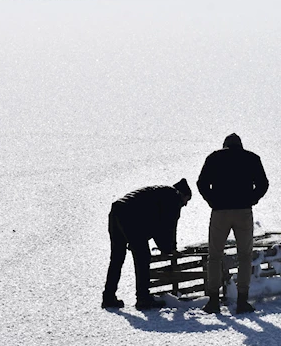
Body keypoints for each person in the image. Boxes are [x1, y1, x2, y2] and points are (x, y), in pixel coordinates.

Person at [197, 133, 268, 314]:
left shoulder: (214, 158)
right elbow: (263, 184)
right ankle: (242, 301)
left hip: (219, 212)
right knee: (244, 256)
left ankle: (213, 301)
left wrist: (212, 201)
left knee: (215, 256)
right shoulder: (252, 158)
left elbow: (201, 183)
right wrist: (252, 199)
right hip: (243, 212)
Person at [103, 178, 192, 310]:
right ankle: (143, 299)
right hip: (131, 217)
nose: (185, 204)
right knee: (142, 258)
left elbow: (157, 224)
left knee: (117, 258)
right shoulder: (174, 199)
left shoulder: (162, 193)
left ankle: (108, 297)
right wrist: (169, 249)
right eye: (187, 200)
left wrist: (165, 247)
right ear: (183, 194)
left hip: (117, 210)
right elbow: (168, 227)